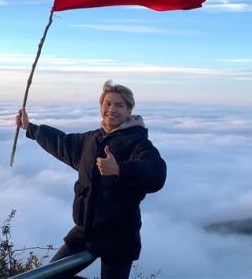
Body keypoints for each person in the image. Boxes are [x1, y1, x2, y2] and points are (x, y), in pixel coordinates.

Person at [15, 80, 166, 279]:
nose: (112, 109)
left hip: (119, 237)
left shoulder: (138, 143)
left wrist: (120, 169)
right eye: (108, 104)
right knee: (50, 276)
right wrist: (30, 128)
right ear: (101, 107)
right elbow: (62, 143)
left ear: (129, 111)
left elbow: (156, 174)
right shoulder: (91, 139)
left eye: (119, 105)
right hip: (85, 232)